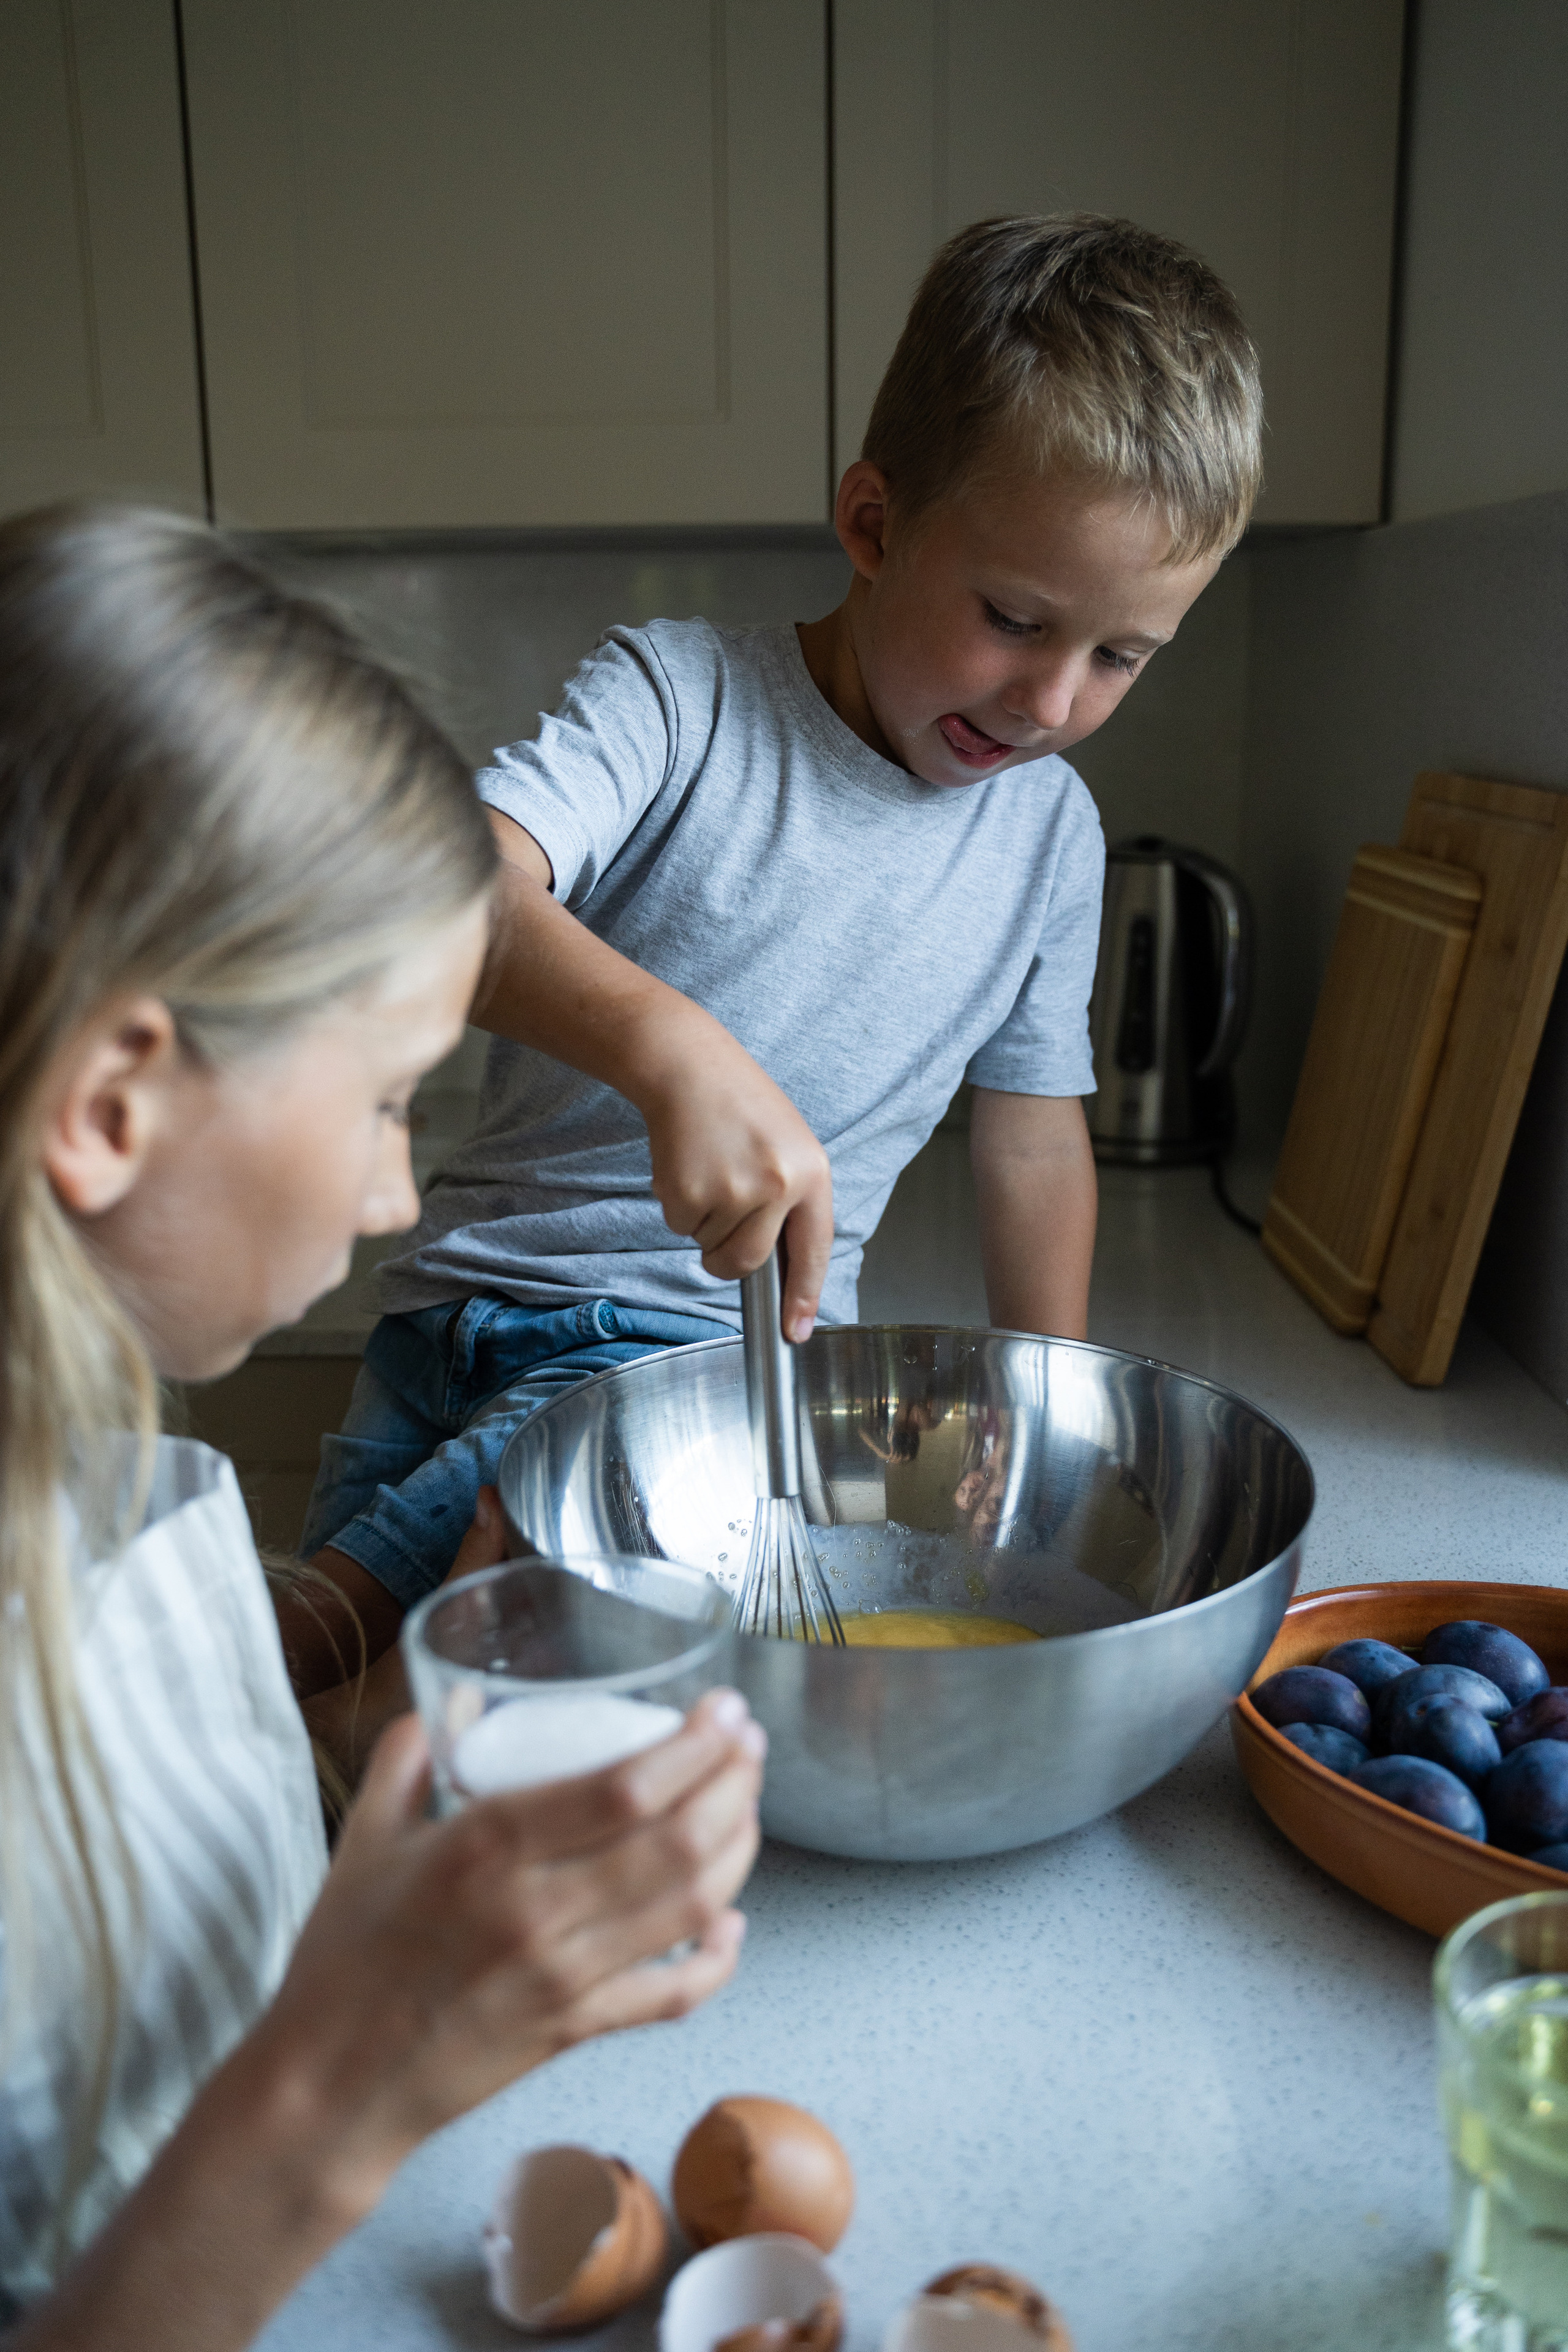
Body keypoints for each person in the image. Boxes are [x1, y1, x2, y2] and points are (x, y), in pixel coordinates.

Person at [298, 210, 1264, 1679]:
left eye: (1120, 655)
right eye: (1014, 619)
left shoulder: (1049, 842)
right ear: (873, 525)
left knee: (362, 1686)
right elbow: (437, 892)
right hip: (462, 1310)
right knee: (335, 1691)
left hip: (700, 1381)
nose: (1050, 701)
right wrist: (670, 1047)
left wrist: (1049, 1417)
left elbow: (1029, 1145)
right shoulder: (680, 700)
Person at [0, 504, 764, 2344]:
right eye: (386, 1102)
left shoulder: (76, 1480)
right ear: (112, 1099)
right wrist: (353, 2084)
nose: (397, 1200)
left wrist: (367, 1781)